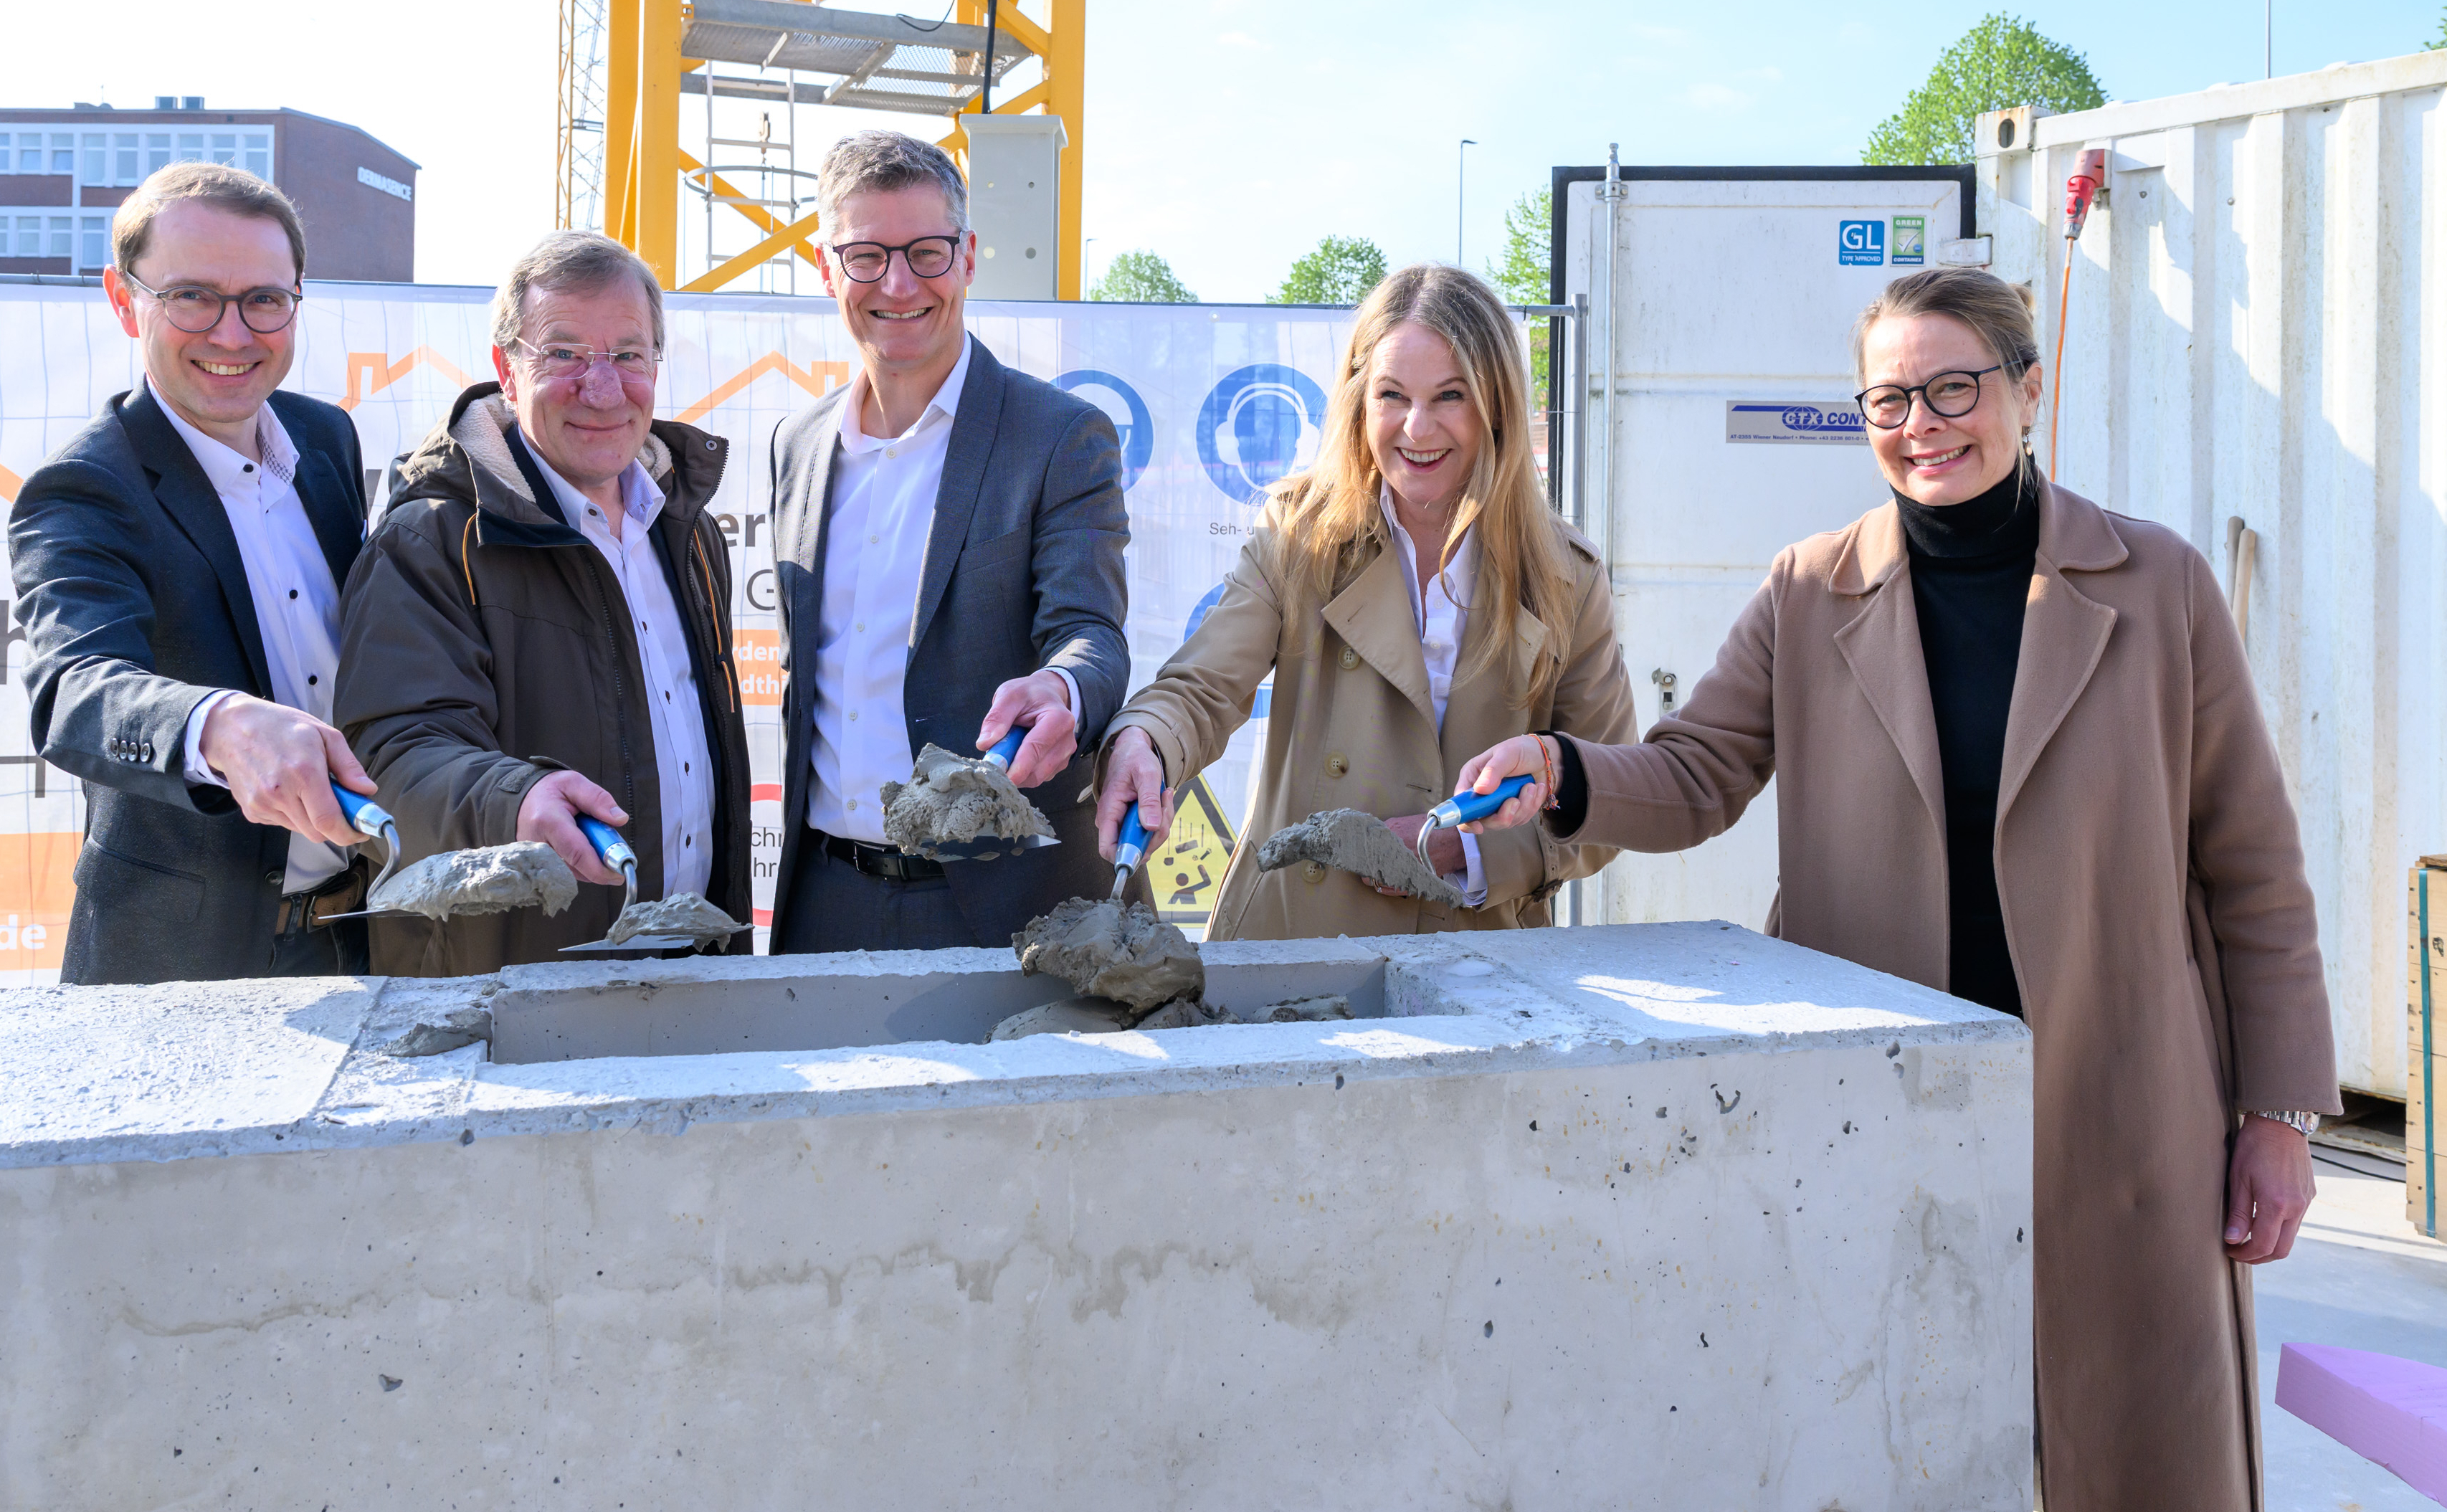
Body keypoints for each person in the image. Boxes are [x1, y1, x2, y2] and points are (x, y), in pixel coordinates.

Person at [1454, 265, 2336, 1509]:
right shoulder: (1808, 588)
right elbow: (1699, 772)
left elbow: (2255, 872)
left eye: (1954, 388)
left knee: (2133, 1446)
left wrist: (2279, 1115)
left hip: (2124, 1105)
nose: (1922, 423)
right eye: (1888, 399)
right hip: (1885, 1101)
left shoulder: (2159, 585)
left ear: (2030, 390)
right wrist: (1563, 769)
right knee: (1894, 1437)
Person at [1093, 264, 1637, 940]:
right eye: (1391, 395)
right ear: (1358, 401)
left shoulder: (1563, 577)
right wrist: (1145, 741)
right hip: (1294, 943)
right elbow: (1204, 687)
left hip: (1478, 962)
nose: (1417, 428)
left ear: (1496, 405)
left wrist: (1462, 849)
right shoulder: (1299, 535)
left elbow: (1609, 795)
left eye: (1450, 396)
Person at [331, 232, 752, 970]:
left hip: (693, 967)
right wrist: (516, 800)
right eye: (564, 354)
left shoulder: (687, 530)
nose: (603, 388)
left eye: (628, 354)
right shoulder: (432, 538)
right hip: (512, 987)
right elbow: (390, 758)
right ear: (506, 369)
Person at [10, 163, 377, 984]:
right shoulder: (85, 487)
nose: (233, 334)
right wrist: (218, 726)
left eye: (264, 299)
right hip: (184, 965)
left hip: (365, 934)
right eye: (193, 297)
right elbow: (73, 689)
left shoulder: (327, 440)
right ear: (123, 300)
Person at [766, 130, 1129, 951]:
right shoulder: (796, 444)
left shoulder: (1058, 436)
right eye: (865, 256)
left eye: (926, 252)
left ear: (966, 258)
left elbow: (1089, 632)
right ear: (826, 269)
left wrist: (1062, 690)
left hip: (1001, 909)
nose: (898, 284)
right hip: (821, 903)